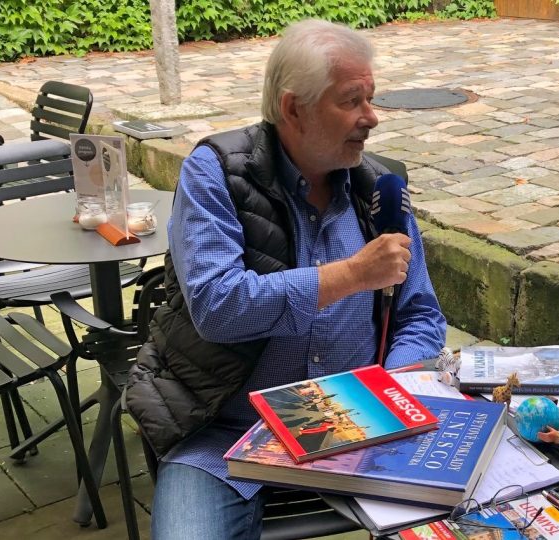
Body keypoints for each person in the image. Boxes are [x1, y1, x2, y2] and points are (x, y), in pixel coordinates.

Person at [125, 19, 447, 539]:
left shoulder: (378, 188)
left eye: (370, 98)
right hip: (226, 432)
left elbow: (421, 314)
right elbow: (217, 307)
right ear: (293, 108)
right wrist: (351, 274)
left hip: (362, 423)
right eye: (352, 101)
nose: (371, 118)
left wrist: (393, 388)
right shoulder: (216, 173)